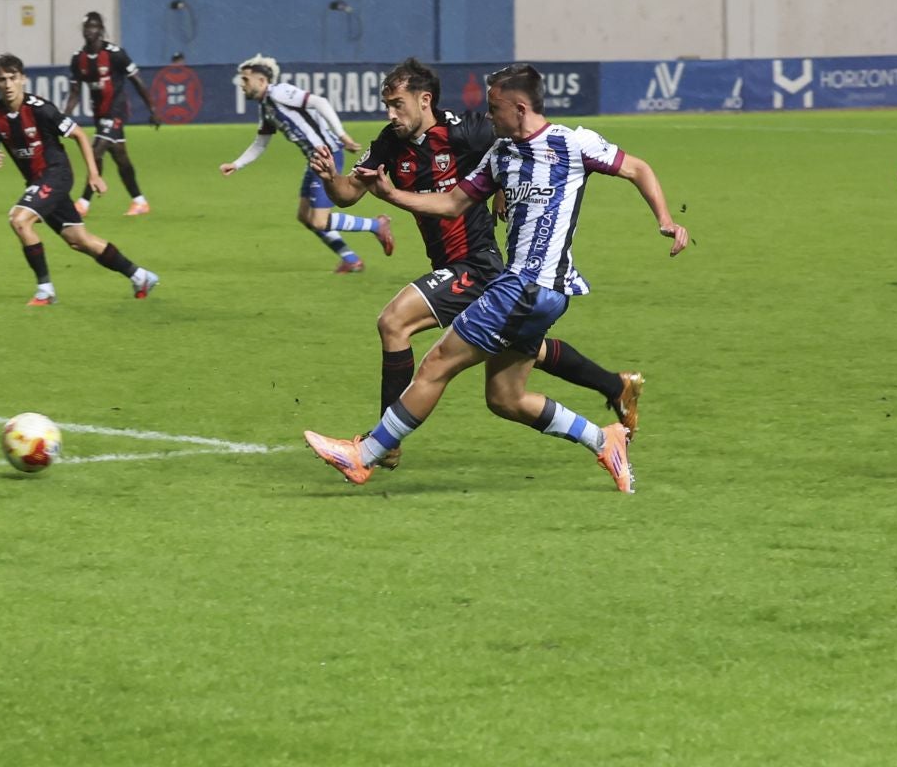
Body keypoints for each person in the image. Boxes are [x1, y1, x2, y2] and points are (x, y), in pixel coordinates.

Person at [304, 63, 689, 494]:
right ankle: (605, 439)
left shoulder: (571, 142)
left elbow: (637, 168)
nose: (487, 118)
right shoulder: (500, 154)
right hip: (533, 291)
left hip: (524, 285)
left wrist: (666, 220)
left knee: (435, 364)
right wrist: (392, 195)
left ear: (519, 108)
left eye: (494, 109)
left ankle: (366, 455)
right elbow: (452, 204)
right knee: (505, 397)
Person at [0, 53, 158, 306]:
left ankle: (45, 290)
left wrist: (93, 174)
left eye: (13, 78)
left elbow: (80, 135)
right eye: (2, 80)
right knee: (79, 241)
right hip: (38, 181)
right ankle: (140, 276)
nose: (8, 85)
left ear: (23, 79)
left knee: (19, 220)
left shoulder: (41, 109)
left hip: (56, 174)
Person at [220, 54, 394, 273]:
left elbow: (319, 102)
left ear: (262, 81)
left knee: (319, 221)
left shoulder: (279, 92)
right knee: (305, 216)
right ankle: (351, 260)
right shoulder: (266, 107)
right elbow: (260, 143)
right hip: (314, 160)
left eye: (246, 80)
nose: (242, 85)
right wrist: (237, 164)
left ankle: (376, 225)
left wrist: (341, 135)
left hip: (326, 156)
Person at [62, 12, 160, 217]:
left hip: (117, 111)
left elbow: (138, 82)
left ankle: (83, 203)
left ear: (101, 29)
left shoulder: (115, 54)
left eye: (95, 26)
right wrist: (63, 117)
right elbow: (74, 93)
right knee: (120, 157)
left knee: (95, 152)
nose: (90, 31)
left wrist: (153, 109)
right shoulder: (78, 59)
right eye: (87, 27)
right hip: (100, 114)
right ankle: (139, 201)